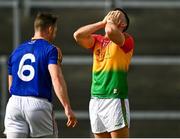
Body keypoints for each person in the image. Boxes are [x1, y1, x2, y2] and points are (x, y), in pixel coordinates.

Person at [4, 12, 77, 138]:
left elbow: (11, 85)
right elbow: (57, 78)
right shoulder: (50, 49)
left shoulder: (17, 50)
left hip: (14, 104)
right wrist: (67, 107)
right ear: (50, 29)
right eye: (55, 30)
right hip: (38, 104)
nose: (55, 33)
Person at [73, 8, 134, 138]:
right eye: (111, 13)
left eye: (117, 15)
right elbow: (78, 35)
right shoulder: (97, 40)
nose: (112, 15)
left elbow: (111, 31)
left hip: (115, 98)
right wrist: (102, 22)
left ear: (123, 24)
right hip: (96, 98)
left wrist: (110, 22)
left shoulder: (126, 40)